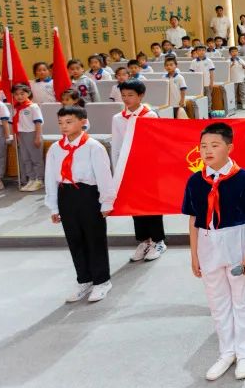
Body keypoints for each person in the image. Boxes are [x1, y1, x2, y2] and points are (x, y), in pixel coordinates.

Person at [183, 122, 245, 381]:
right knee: (217, 302)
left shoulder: (244, 178)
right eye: (203, 146)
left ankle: (244, 352)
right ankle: (226, 351)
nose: (207, 151)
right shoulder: (195, 181)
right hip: (208, 243)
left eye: (214, 145)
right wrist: (194, 254)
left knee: (242, 299)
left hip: (236, 239)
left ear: (229, 147)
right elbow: (194, 219)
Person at [45, 106, 116, 303]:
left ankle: (102, 281)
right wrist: (54, 206)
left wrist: (106, 202)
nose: (64, 126)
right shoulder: (55, 148)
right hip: (65, 195)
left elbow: (104, 176)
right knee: (74, 239)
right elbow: (50, 177)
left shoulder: (94, 147)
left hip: (88, 194)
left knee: (94, 238)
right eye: (60, 123)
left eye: (69, 122)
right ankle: (84, 279)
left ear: (83, 122)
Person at [110, 80, 168, 262]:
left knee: (151, 204)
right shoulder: (118, 118)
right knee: (135, 205)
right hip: (129, 168)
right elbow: (116, 146)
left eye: (130, 95)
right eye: (123, 95)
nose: (126, 99)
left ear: (141, 96)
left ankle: (158, 241)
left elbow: (157, 143)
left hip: (148, 167)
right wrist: (117, 171)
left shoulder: (149, 115)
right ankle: (144, 241)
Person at [12, 83, 45, 192]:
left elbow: (38, 122)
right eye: (16, 94)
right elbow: (15, 124)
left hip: (32, 134)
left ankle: (39, 180)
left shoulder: (33, 106)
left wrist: (38, 137)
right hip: (21, 134)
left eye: (22, 94)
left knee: (36, 158)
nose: (19, 96)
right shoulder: (16, 107)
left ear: (28, 93)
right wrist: (15, 138)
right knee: (26, 158)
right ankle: (31, 178)